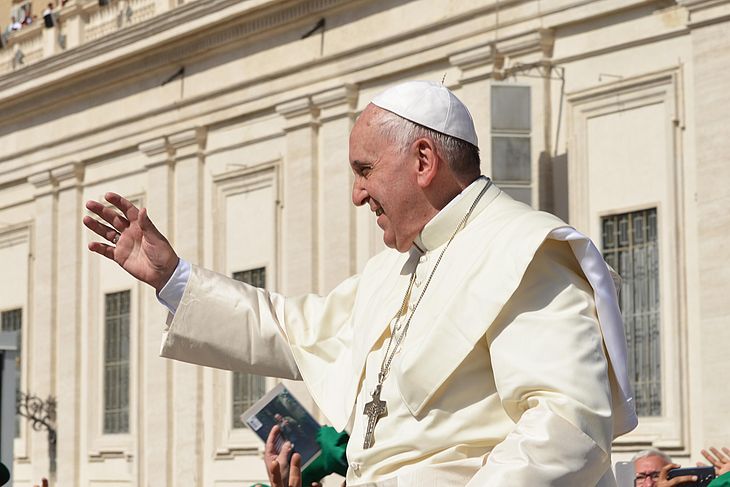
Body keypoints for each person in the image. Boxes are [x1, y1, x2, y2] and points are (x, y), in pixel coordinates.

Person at [84, 80, 637, 486]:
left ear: (423, 161)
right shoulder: (392, 271)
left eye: (364, 169)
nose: (355, 194)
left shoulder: (526, 250)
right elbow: (290, 329)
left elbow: (569, 430)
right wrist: (173, 278)